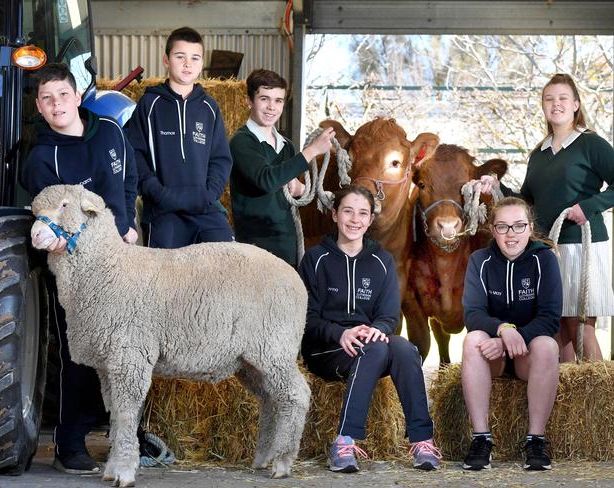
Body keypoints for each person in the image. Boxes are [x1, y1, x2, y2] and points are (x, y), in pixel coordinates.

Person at [20, 63, 138, 474]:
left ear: (77, 95)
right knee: (79, 351)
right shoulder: (40, 158)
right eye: (47, 98)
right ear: (39, 104)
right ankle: (70, 443)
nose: (57, 105)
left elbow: (127, 182)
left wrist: (131, 225)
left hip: (122, 259)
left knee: (124, 347)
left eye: (63, 95)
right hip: (74, 268)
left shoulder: (110, 132)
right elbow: (48, 217)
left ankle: (122, 435)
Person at [298, 184, 441, 473]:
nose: (355, 219)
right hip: (328, 349)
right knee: (375, 349)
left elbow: (388, 315)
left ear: (370, 219)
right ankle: (343, 443)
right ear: (335, 215)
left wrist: (377, 328)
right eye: (348, 211)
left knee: (403, 348)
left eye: (363, 213)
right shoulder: (315, 259)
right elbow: (306, 318)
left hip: (369, 345)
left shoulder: (382, 261)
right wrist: (340, 333)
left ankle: (422, 441)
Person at [480, 73, 614, 361]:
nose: (556, 104)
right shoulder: (538, 154)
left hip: (582, 246)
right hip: (547, 249)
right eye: (549, 99)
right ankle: (570, 403)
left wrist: (589, 206)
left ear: (576, 104)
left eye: (563, 98)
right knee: (555, 329)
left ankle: (601, 403)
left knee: (580, 328)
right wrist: (497, 187)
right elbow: (528, 201)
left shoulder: (591, 144)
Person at [461, 197, 562, 471]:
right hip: (493, 356)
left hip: (527, 355)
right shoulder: (479, 261)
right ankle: (481, 439)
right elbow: (473, 314)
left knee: (548, 346)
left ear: (530, 228)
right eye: (503, 227)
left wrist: (516, 337)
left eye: (518, 226)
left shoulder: (545, 260)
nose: (511, 234)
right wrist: (503, 330)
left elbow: (550, 318)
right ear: (493, 230)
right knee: (472, 340)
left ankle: (536, 441)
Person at [128, 26, 234, 249]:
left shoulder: (209, 107)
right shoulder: (150, 105)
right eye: (180, 56)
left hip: (204, 207)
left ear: (202, 63)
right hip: (164, 209)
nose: (188, 64)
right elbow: (134, 153)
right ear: (166, 60)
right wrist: (156, 191)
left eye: (195, 58)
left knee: (227, 259)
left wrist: (210, 193)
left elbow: (220, 158)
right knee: (166, 276)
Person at [229, 68, 334, 267]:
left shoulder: (286, 145)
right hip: (256, 245)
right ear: (249, 101)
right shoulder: (242, 141)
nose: (271, 107)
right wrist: (312, 151)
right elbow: (265, 180)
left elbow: (285, 186)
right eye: (264, 99)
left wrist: (301, 190)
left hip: (287, 241)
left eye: (278, 100)